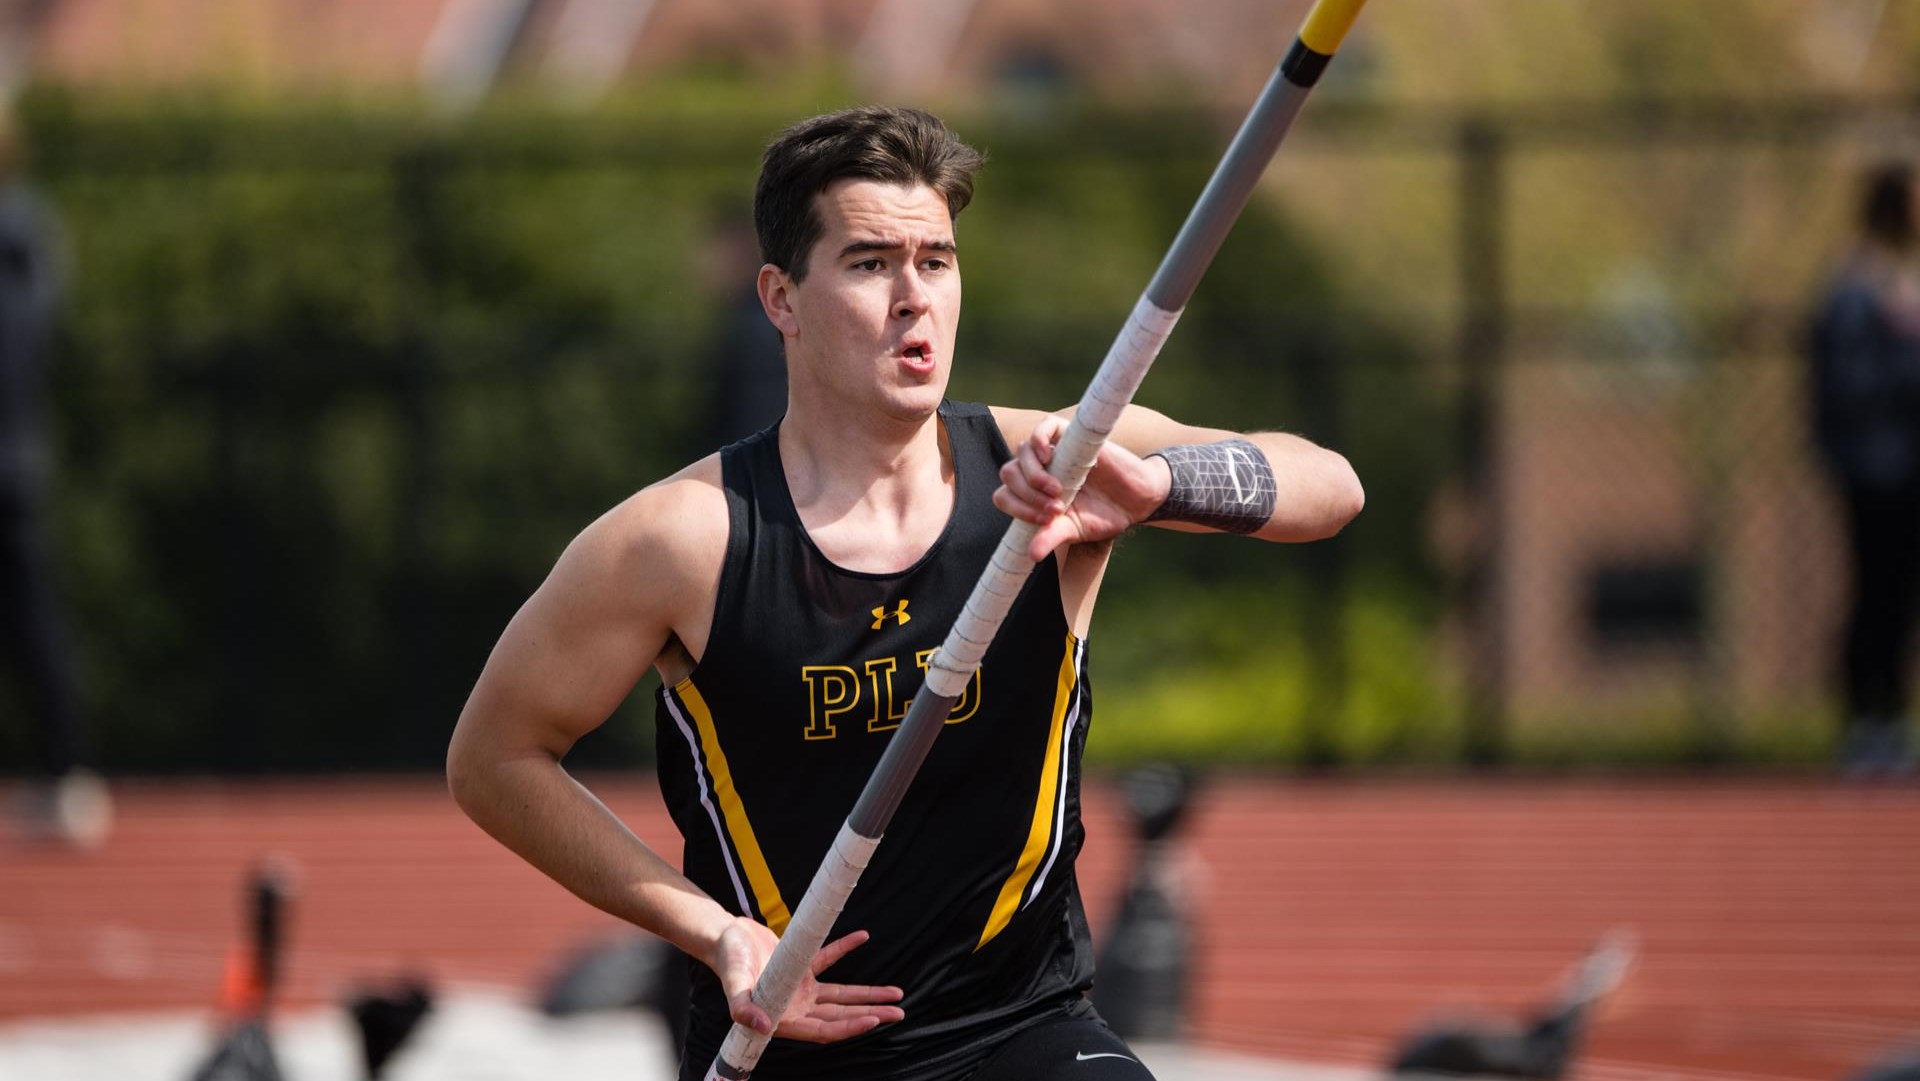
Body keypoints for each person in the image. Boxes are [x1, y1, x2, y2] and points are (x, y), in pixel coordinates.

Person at [447, 105, 1363, 1081]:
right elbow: (495, 757)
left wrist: (1163, 487)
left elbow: (1329, 484)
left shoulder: (1053, 463)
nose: (913, 297)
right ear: (781, 298)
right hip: (787, 1045)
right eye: (870, 263)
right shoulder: (687, 539)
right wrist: (715, 933)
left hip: (1025, 1029)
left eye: (937, 260)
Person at [0, 113, 110, 848]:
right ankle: (67, 771)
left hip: (7, 461)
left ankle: (68, 771)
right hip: (15, 458)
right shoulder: (31, 238)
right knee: (30, 619)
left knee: (32, 621)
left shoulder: (21, 237)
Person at [1809, 161, 1920, 777]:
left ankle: (1894, 721)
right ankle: (1864, 725)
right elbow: (1850, 380)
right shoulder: (1856, 287)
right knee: (1873, 593)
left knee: (1900, 599)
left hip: (1907, 469)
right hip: (1873, 468)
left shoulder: (1905, 285)